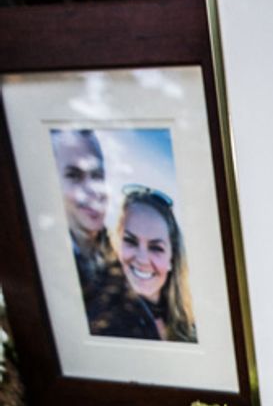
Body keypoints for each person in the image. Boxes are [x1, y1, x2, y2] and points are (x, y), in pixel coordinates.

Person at [91, 185, 197, 343]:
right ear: (116, 245)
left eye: (156, 248)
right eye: (130, 241)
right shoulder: (98, 321)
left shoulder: (193, 329)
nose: (142, 259)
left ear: (172, 259)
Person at [50, 128, 112, 321]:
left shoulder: (122, 251)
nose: (92, 190)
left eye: (97, 175)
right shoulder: (49, 264)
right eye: (74, 176)